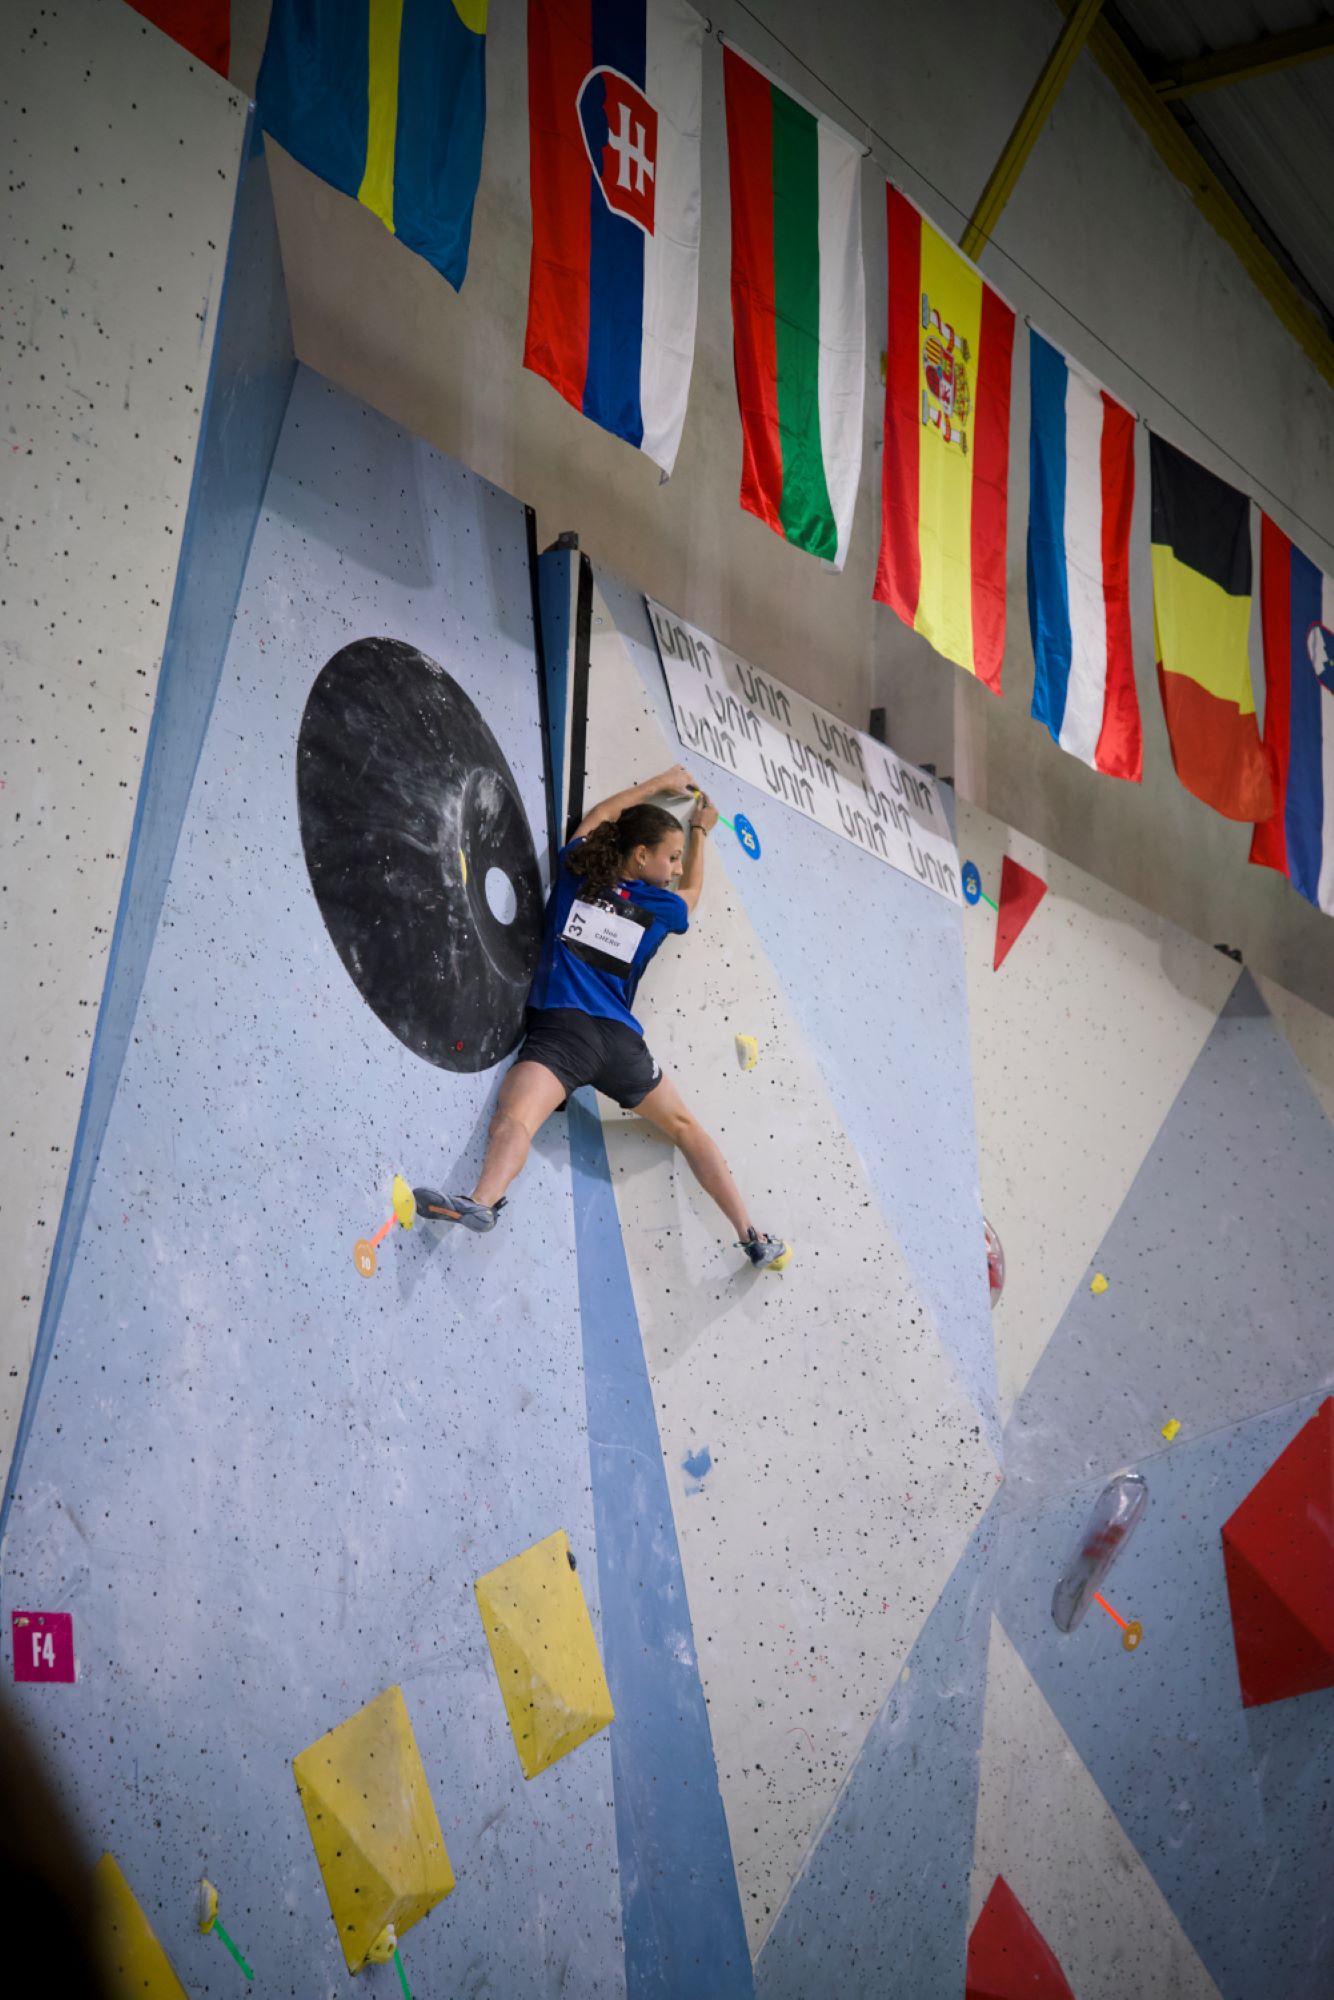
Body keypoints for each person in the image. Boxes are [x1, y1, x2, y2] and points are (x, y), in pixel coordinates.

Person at [415, 764, 789, 1270]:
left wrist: (656, 785)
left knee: (515, 1119)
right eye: (671, 857)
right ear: (641, 855)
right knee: (684, 1127)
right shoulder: (662, 908)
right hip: (619, 1042)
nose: (676, 868)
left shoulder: (578, 870)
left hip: (562, 1035)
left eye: (680, 858)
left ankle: (482, 1201)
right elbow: (693, 896)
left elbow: (600, 816)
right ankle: (751, 1234)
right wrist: (701, 830)